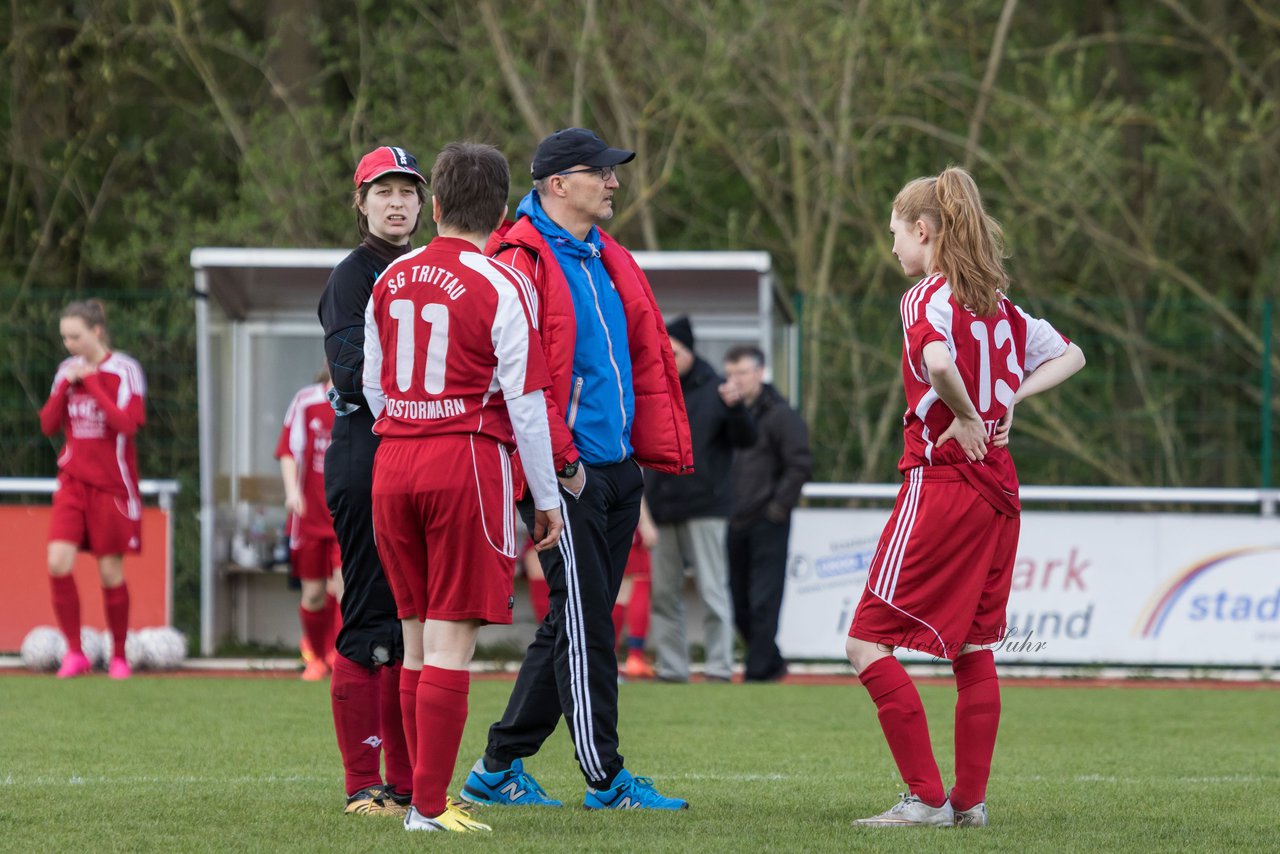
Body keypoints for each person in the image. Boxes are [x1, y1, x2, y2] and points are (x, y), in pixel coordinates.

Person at [461, 127, 693, 811]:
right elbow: (519, 383)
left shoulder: (602, 254)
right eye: (602, 172)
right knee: (587, 623)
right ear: (558, 184)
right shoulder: (518, 260)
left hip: (618, 468)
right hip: (568, 474)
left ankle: (497, 767)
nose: (615, 183)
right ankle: (606, 778)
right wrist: (559, 471)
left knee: (573, 621)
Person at [846, 167, 1085, 829]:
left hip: (944, 482)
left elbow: (940, 365)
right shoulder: (1001, 307)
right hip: (1000, 492)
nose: (892, 247)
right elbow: (1073, 355)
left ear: (923, 230)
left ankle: (924, 798)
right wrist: (1007, 398)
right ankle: (968, 805)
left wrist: (969, 413)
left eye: (895, 233)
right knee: (974, 647)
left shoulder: (926, 296)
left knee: (867, 643)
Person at [363, 141, 564, 834]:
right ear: (502, 211)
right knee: (452, 642)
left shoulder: (391, 276)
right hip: (465, 461)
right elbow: (528, 401)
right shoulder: (504, 281)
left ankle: (423, 798)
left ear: (436, 206)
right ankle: (427, 808)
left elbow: (367, 379)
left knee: (416, 638)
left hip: (392, 460)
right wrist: (544, 497)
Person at [317, 145, 424, 816]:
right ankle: (364, 784)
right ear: (359, 202)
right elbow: (351, 373)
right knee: (370, 619)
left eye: (407, 190)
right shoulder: (353, 277)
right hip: (368, 453)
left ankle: (411, 783)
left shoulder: (436, 270)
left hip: (421, 455)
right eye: (381, 190)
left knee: (415, 623)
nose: (396, 201)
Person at [645, 316, 757, 682]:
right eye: (666, 351)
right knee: (664, 594)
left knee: (712, 591)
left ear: (690, 351)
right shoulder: (655, 387)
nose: (669, 357)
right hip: (663, 507)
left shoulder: (718, 389)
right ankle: (672, 669)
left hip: (706, 508)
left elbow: (746, 440)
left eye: (675, 351)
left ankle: (720, 668)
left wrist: (737, 408)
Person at [40, 299, 146, 680]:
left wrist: (93, 385)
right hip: (72, 483)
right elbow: (48, 425)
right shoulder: (66, 370)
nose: (69, 344)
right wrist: (65, 387)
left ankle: (118, 656)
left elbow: (128, 424)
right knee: (57, 562)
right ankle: (74, 652)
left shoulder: (124, 370)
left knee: (109, 573)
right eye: (65, 337)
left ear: (97, 332)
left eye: (76, 336)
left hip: (112, 487)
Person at [723, 345, 812, 682]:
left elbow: (800, 464)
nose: (735, 380)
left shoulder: (781, 415)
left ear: (760, 373)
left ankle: (759, 672)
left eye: (742, 372)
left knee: (764, 599)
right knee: (738, 600)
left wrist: (777, 508)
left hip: (768, 520)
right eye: (730, 374)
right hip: (734, 519)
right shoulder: (727, 414)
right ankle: (771, 662)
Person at [275, 369, 342, 681]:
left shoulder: (366, 399)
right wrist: (292, 493)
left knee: (345, 589)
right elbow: (288, 451)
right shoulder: (307, 401)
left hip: (347, 516)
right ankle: (315, 655)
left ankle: (342, 657)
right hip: (310, 517)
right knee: (314, 594)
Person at [612, 498, 657, 679]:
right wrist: (645, 521)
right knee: (627, 585)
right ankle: (632, 657)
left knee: (618, 589)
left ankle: (609, 658)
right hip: (619, 514)